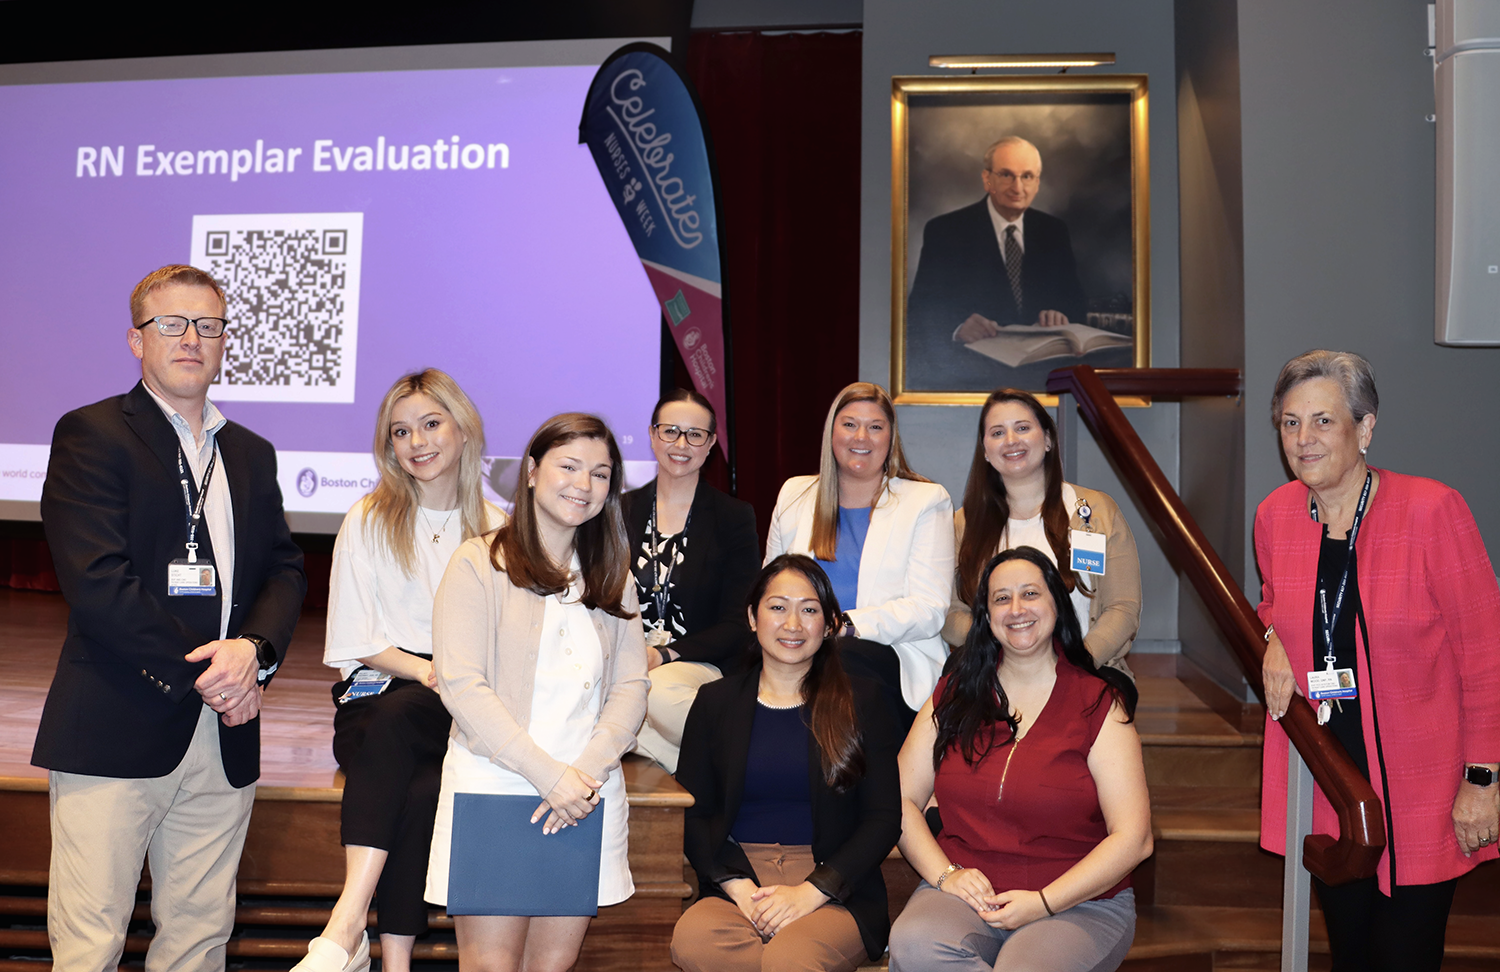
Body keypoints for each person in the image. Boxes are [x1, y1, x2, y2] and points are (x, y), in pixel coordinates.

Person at [33, 264, 306, 972]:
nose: (192, 338)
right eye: (172, 324)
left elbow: (283, 570)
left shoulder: (250, 453)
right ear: (136, 340)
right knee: (91, 944)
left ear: (223, 343)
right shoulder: (92, 434)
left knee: (198, 944)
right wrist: (213, 672)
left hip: (225, 735)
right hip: (118, 724)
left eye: (208, 326)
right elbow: (98, 584)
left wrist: (254, 650)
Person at [1258, 350, 1500, 972]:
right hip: (1330, 782)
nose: (1304, 439)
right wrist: (1273, 637)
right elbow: (1275, 603)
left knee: (1404, 956)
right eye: (1290, 423)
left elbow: (1486, 652)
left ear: (1365, 429)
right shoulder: (1275, 517)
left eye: (1322, 421)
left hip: (1421, 784)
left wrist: (1482, 780)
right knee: (1350, 952)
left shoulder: (1432, 511)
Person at [292, 371, 503, 972]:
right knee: (419, 785)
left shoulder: (497, 527)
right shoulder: (368, 517)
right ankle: (392, 958)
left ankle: (347, 923)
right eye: (401, 431)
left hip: (461, 703)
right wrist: (428, 671)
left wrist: (451, 678)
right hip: (381, 692)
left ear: (463, 429)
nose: (417, 442)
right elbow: (356, 639)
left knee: (406, 727)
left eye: (431, 424)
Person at [424, 413, 649, 972]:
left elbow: (632, 686)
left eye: (600, 474)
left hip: (584, 795)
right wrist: (551, 777)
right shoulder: (479, 562)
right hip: (496, 786)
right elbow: (461, 684)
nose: (584, 484)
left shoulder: (613, 573)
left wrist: (583, 775)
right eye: (569, 466)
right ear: (530, 472)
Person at [888, 547, 1150, 972]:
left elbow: (1134, 838)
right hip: (969, 893)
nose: (1016, 609)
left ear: (1055, 605)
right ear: (986, 617)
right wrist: (946, 875)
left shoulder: (1099, 704)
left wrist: (1044, 903)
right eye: (1001, 598)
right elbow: (898, 800)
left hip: (1078, 902)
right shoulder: (953, 695)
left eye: (1030, 593)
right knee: (916, 945)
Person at [671, 555, 902, 972]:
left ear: (830, 624)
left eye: (809, 609)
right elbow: (695, 812)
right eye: (777, 607)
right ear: (752, 617)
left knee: (790, 961)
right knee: (693, 943)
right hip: (741, 883)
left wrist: (812, 891)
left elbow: (884, 818)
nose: (792, 624)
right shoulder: (715, 701)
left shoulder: (863, 701)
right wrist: (737, 887)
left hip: (833, 889)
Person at [764, 382, 955, 733]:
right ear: (831, 432)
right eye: (850, 424)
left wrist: (844, 625)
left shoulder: (925, 501)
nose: (861, 436)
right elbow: (769, 592)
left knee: (842, 660)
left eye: (876, 426)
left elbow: (929, 609)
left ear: (891, 437)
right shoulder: (794, 494)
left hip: (887, 661)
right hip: (798, 651)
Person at [943, 389, 1141, 674]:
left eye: (1023, 428)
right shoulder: (962, 525)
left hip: (1088, 671)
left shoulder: (1096, 512)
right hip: (994, 674)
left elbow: (1123, 607)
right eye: (997, 433)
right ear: (985, 450)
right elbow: (949, 611)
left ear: (1048, 439)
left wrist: (1075, 665)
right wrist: (998, 654)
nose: (1011, 441)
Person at [624, 388, 760, 774]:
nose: (681, 444)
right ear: (652, 435)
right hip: (629, 660)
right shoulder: (620, 511)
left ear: (711, 443)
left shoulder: (733, 517)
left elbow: (738, 624)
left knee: (654, 697)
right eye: (670, 431)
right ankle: (718, 770)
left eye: (695, 434)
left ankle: (747, 758)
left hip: (698, 663)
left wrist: (662, 655)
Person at [906, 136, 1087, 388]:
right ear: (987, 179)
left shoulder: (1053, 231)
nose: (1018, 187)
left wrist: (1061, 314)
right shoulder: (946, 231)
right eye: (1006, 175)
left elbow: (1076, 302)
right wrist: (957, 328)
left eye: (1027, 176)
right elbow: (921, 310)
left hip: (1040, 379)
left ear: (1037, 183)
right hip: (973, 376)